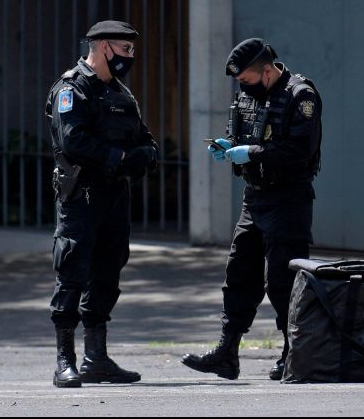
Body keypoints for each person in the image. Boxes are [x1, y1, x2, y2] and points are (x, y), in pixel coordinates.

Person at [181, 38, 322, 381]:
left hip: (288, 199)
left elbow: (298, 151)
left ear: (268, 70)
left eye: (246, 79)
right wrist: (229, 145)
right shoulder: (249, 93)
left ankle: (294, 352)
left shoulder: (301, 96)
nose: (242, 86)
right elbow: (244, 130)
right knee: (239, 274)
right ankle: (227, 353)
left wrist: (251, 153)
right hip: (254, 198)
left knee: (282, 280)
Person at [44, 20, 158, 388]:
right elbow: (74, 141)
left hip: (114, 197)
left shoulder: (121, 93)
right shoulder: (72, 89)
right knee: (73, 270)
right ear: (104, 47)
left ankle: (96, 358)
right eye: (126, 50)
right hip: (82, 195)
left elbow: (144, 136)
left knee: (108, 272)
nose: (131, 57)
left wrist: (148, 153)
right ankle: (65, 360)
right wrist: (122, 159)